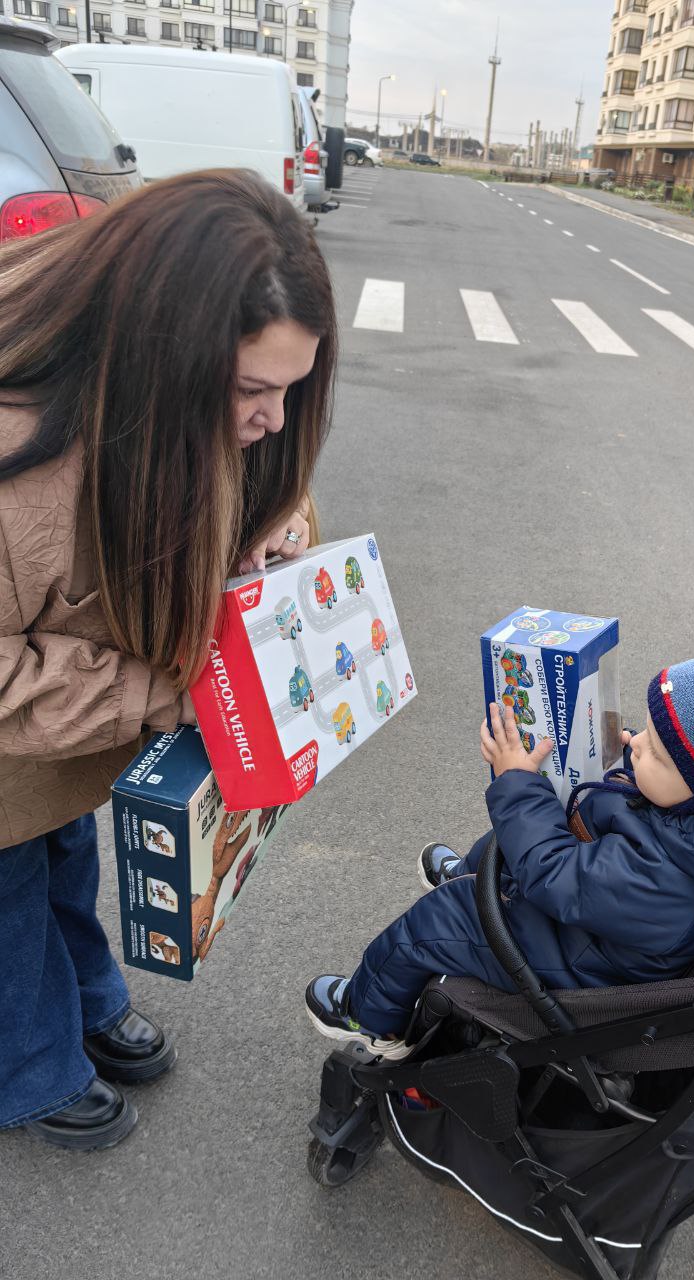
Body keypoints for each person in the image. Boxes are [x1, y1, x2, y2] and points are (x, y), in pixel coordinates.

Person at [0, 170, 338, 1149]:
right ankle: (30, 1064)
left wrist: (280, 526)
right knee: (9, 894)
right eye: (254, 392)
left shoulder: (171, 397)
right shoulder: (19, 457)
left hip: (67, 727)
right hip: (31, 717)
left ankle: (90, 1002)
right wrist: (160, 693)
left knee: (64, 851)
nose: (274, 418)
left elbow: (270, 477)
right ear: (163, 354)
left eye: (293, 388)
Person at [306, 621, 694, 1060]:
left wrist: (515, 781)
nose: (637, 742)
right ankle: (476, 876)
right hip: (602, 913)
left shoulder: (667, 883)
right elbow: (634, 816)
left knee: (441, 916)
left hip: (585, 961)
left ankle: (370, 1016)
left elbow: (553, 876)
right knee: (543, 824)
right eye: (647, 734)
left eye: (656, 753)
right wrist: (630, 767)